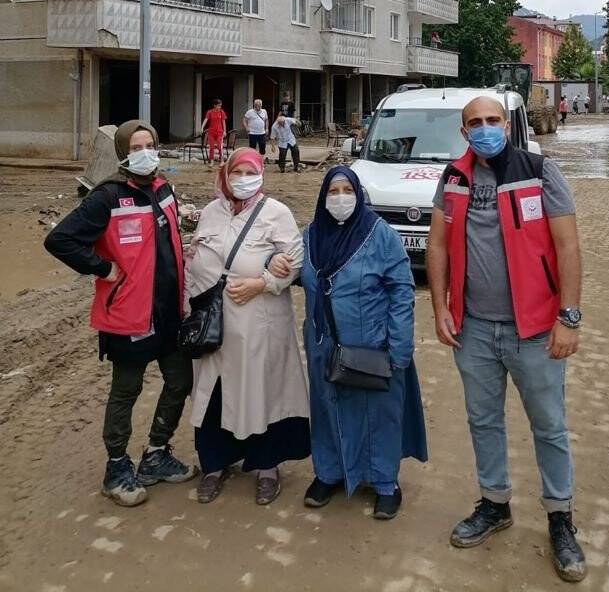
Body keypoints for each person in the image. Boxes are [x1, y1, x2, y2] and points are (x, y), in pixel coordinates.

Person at [427, 97, 586, 582]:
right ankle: (495, 505)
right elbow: (435, 244)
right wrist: (439, 308)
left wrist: (569, 318)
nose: (484, 129)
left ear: (508, 123)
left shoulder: (539, 171)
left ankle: (560, 519)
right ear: (463, 129)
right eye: (474, 122)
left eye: (492, 120)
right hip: (473, 329)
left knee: (549, 426)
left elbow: (568, 245)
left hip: (535, 330)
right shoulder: (453, 178)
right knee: (483, 421)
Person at [44, 120, 196, 507]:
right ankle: (116, 469)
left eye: (151, 144)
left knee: (179, 381)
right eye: (137, 146)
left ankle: (156, 454)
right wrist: (102, 268)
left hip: (168, 313)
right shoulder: (106, 197)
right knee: (126, 392)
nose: (146, 152)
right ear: (125, 153)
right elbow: (59, 239)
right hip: (128, 317)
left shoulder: (164, 189)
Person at [272, 165, 426, 520]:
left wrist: (399, 347)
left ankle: (385, 482)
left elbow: (402, 290)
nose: (340, 198)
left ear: (358, 195)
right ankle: (329, 473)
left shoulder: (380, 234)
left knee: (378, 412)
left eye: (347, 190)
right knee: (328, 408)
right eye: (332, 191)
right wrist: (273, 259)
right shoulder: (311, 236)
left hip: (374, 344)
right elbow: (292, 267)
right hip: (324, 343)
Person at [185, 149, 310, 504]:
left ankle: (267, 467)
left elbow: (296, 260)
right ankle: (214, 465)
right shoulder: (211, 212)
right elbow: (195, 253)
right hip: (214, 326)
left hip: (259, 324)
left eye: (248, 171)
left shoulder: (276, 213)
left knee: (263, 390)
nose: (242, 178)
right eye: (235, 171)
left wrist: (264, 282)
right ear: (225, 175)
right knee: (214, 392)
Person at [202, 99, 228, 164]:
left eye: (220, 106)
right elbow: (206, 119)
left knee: (219, 146)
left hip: (219, 132)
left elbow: (223, 122)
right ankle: (211, 161)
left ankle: (222, 160)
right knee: (211, 147)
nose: (220, 107)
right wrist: (202, 127)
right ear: (214, 105)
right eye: (218, 106)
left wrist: (224, 131)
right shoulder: (209, 112)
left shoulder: (222, 112)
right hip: (211, 132)